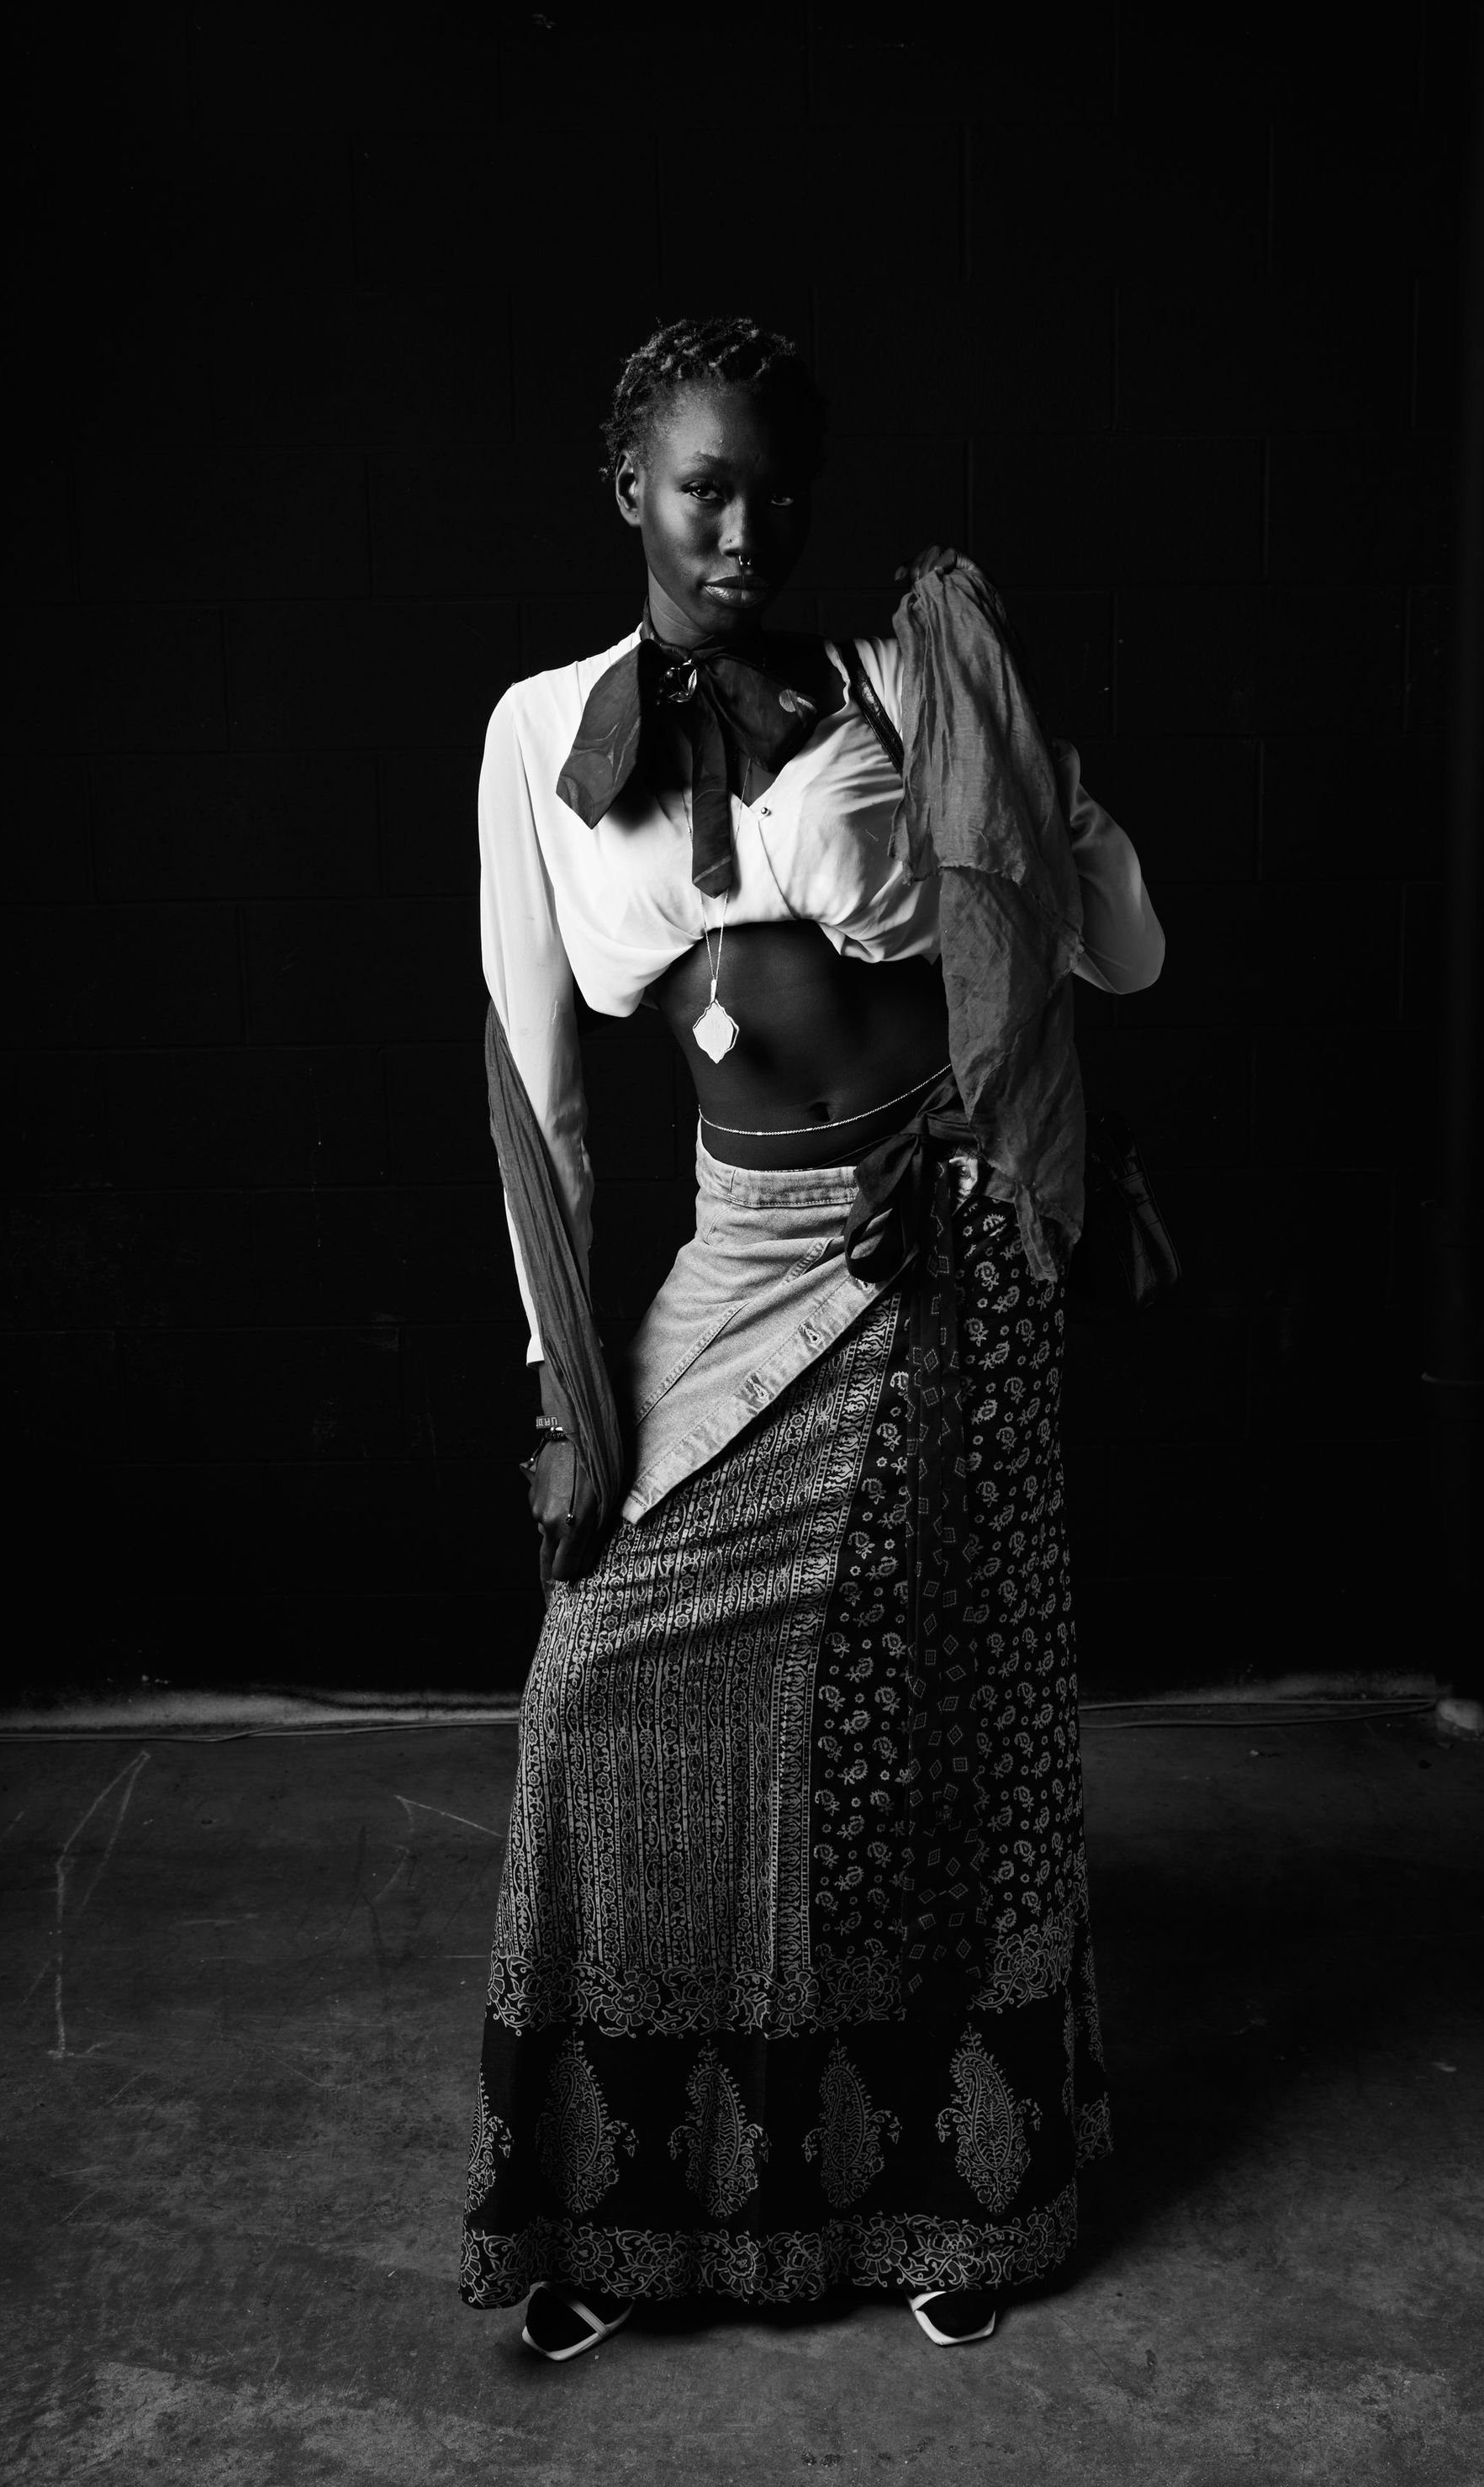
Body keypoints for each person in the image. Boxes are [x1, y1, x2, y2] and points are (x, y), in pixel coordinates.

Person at [461, 316, 1164, 2358]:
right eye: (704, 487)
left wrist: (1027, 780)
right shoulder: (533, 734)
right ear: (630, 494)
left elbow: (1114, 952)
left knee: (929, 1741)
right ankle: (622, 2212)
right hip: (732, 1260)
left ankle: (963, 2197)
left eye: (773, 487)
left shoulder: (890, 686)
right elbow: (539, 1102)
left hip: (933, 1253)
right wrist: (559, 1392)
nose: (744, 526)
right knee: (592, 1688)